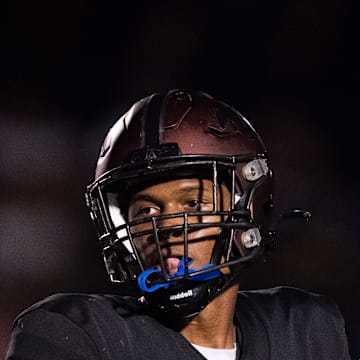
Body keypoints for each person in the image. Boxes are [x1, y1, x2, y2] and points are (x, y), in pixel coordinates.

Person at [5, 89, 351, 359]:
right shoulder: (72, 334)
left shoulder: (307, 329)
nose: (169, 227)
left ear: (249, 208)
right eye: (146, 212)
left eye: (192, 202)